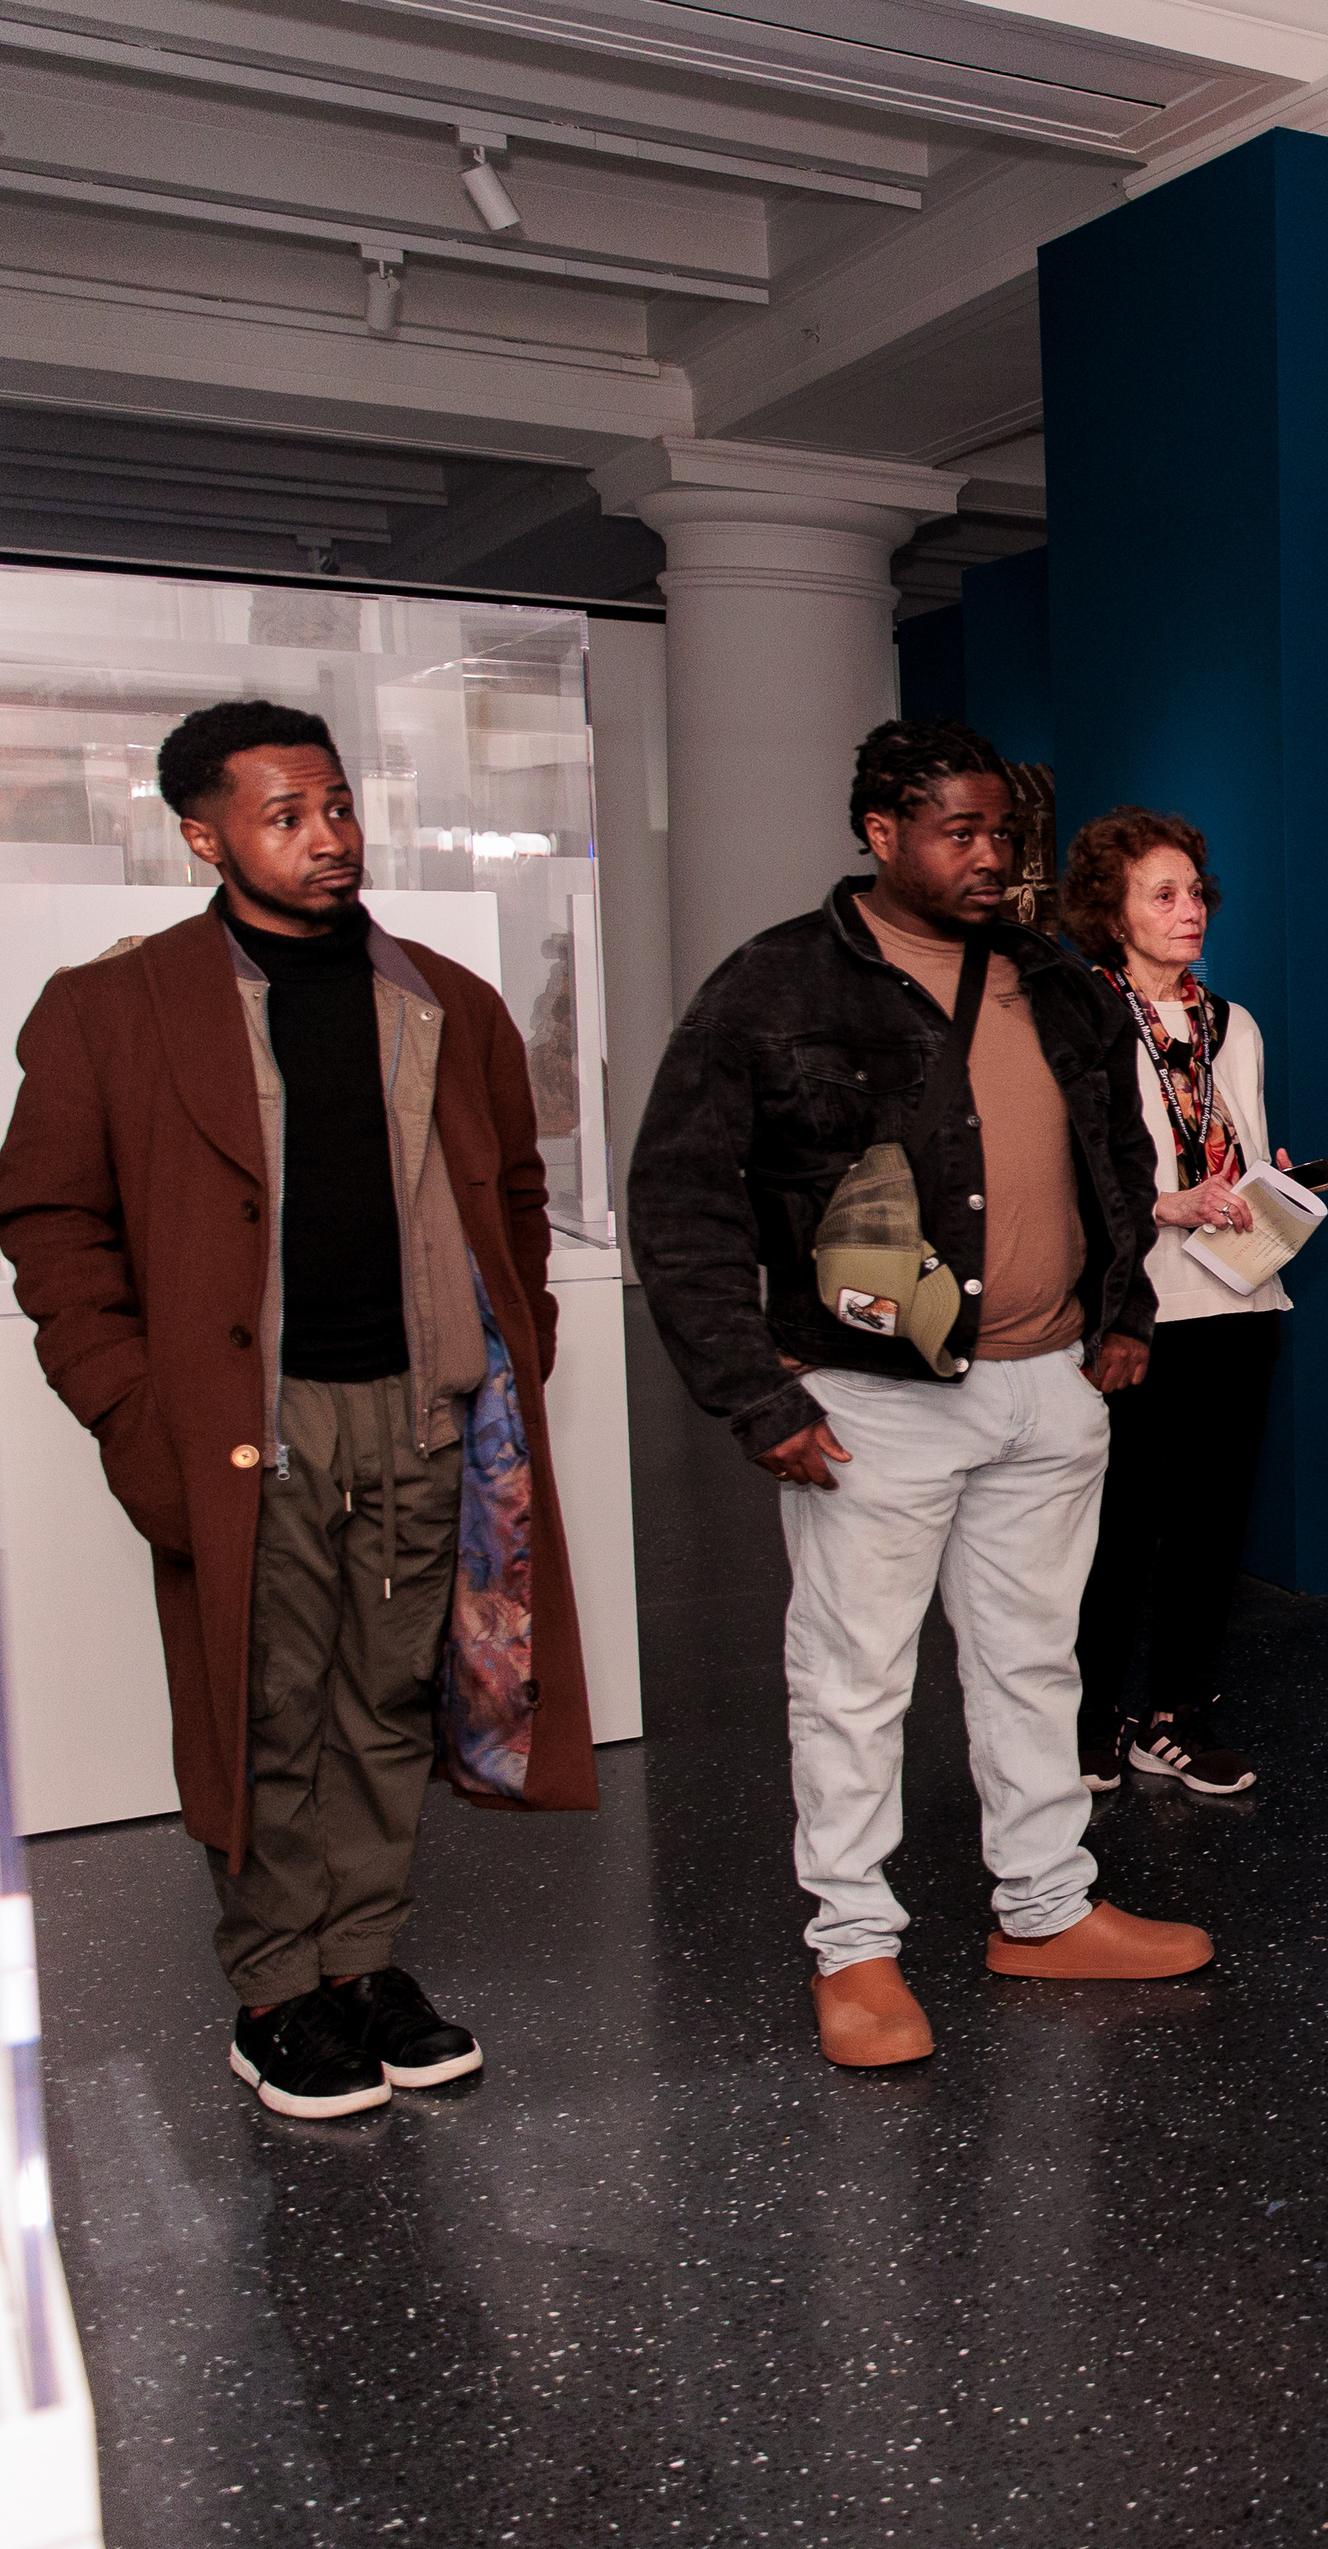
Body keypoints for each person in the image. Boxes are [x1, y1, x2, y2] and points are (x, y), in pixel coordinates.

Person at [0, 700, 595, 2119]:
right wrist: (128, 1406)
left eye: (336, 806)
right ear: (204, 837)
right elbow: (48, 1220)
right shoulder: (113, 1006)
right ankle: (275, 1989)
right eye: (286, 816)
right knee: (261, 1710)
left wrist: (527, 1341)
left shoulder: (446, 997)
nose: (328, 838)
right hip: (242, 1421)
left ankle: (364, 1961)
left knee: (387, 1701)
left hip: (421, 1408)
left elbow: (514, 1187)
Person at [628, 719, 1210, 2072]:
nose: (989, 855)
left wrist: (1123, 1314)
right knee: (852, 1683)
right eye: (957, 829)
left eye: (1001, 830)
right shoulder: (776, 986)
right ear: (880, 831)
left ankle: (1046, 1907)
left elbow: (1118, 1154)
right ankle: (856, 1948)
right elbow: (678, 1196)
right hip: (875, 1395)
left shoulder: (1058, 985)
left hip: (1049, 1388)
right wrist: (751, 1394)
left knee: (1032, 1663)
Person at [1061, 808, 1285, 1799]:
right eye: (1164, 893)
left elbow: (1234, 1148)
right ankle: (1088, 1719)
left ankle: (1174, 1716)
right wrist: (1167, 1200)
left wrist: (1268, 1186)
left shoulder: (1234, 1026)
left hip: (1240, 1303)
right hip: (1135, 1310)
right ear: (1112, 912)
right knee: (1116, 1524)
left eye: (1196, 891)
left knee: (1210, 1525)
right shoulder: (1077, 1022)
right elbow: (1065, 1176)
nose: (1190, 909)